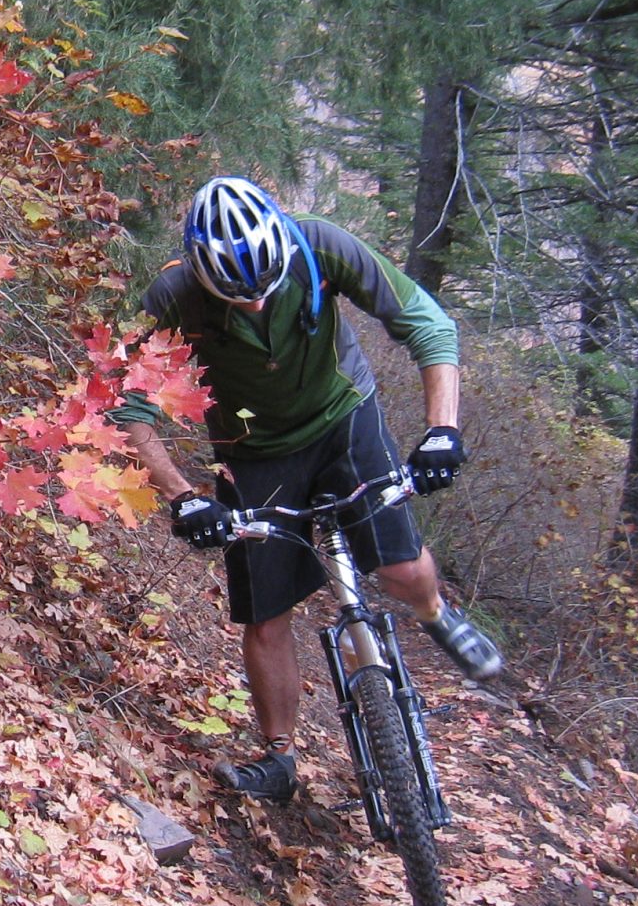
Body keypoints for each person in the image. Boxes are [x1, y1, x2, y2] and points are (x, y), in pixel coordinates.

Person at [108, 175, 504, 804]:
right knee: (266, 616)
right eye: (238, 300)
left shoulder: (321, 247)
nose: (257, 308)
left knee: (400, 568)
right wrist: (185, 495)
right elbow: (126, 406)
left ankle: (436, 615)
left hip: (343, 417)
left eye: (265, 293)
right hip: (254, 452)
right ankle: (279, 756)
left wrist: (442, 433)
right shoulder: (173, 296)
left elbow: (427, 323)